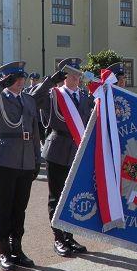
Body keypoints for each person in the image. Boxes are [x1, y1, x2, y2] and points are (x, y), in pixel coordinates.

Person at [0, 61, 42, 271]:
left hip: (25, 160)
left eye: (22, 78)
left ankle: (17, 249)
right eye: (16, 79)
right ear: (7, 79)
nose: (21, 82)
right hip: (4, 159)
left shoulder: (28, 100)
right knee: (4, 207)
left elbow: (35, 131)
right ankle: (4, 250)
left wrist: (37, 159)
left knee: (20, 208)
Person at [28, 58, 88, 257]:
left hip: (77, 150)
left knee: (71, 196)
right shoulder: (53, 95)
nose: (76, 78)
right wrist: (49, 82)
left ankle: (70, 236)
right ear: (63, 77)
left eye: (78, 74)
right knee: (57, 196)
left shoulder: (84, 96)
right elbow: (32, 100)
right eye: (72, 74)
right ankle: (58, 238)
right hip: (57, 149)